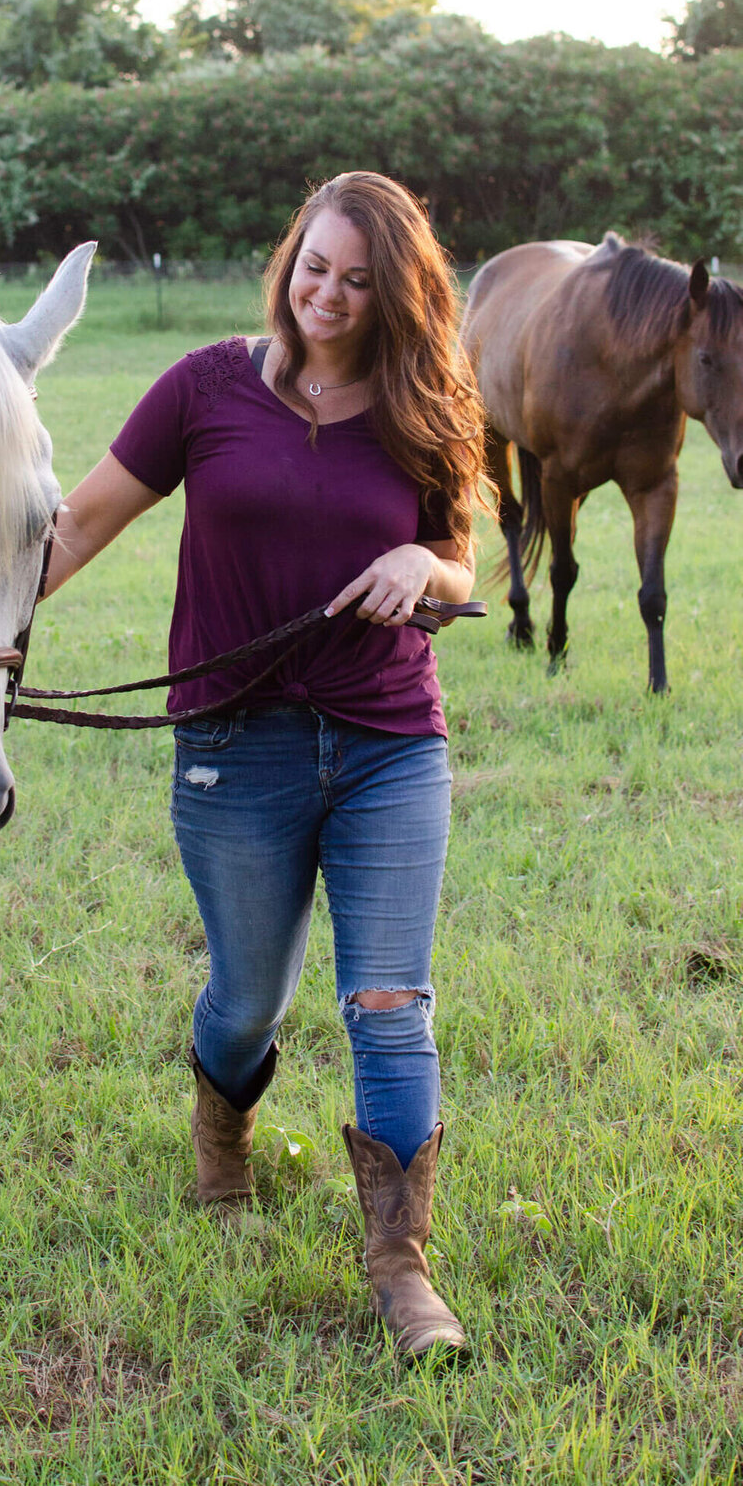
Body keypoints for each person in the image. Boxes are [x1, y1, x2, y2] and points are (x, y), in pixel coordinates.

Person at [43, 172, 487, 1358]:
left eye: (358, 281)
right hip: (235, 747)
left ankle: (402, 1264)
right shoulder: (205, 388)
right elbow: (78, 523)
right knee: (248, 1001)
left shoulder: (427, 404)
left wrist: (423, 566)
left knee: (388, 1000)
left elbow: (458, 564)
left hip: (390, 742)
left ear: (396, 295)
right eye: (314, 267)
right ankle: (222, 1133)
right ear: (289, 258)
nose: (326, 295)